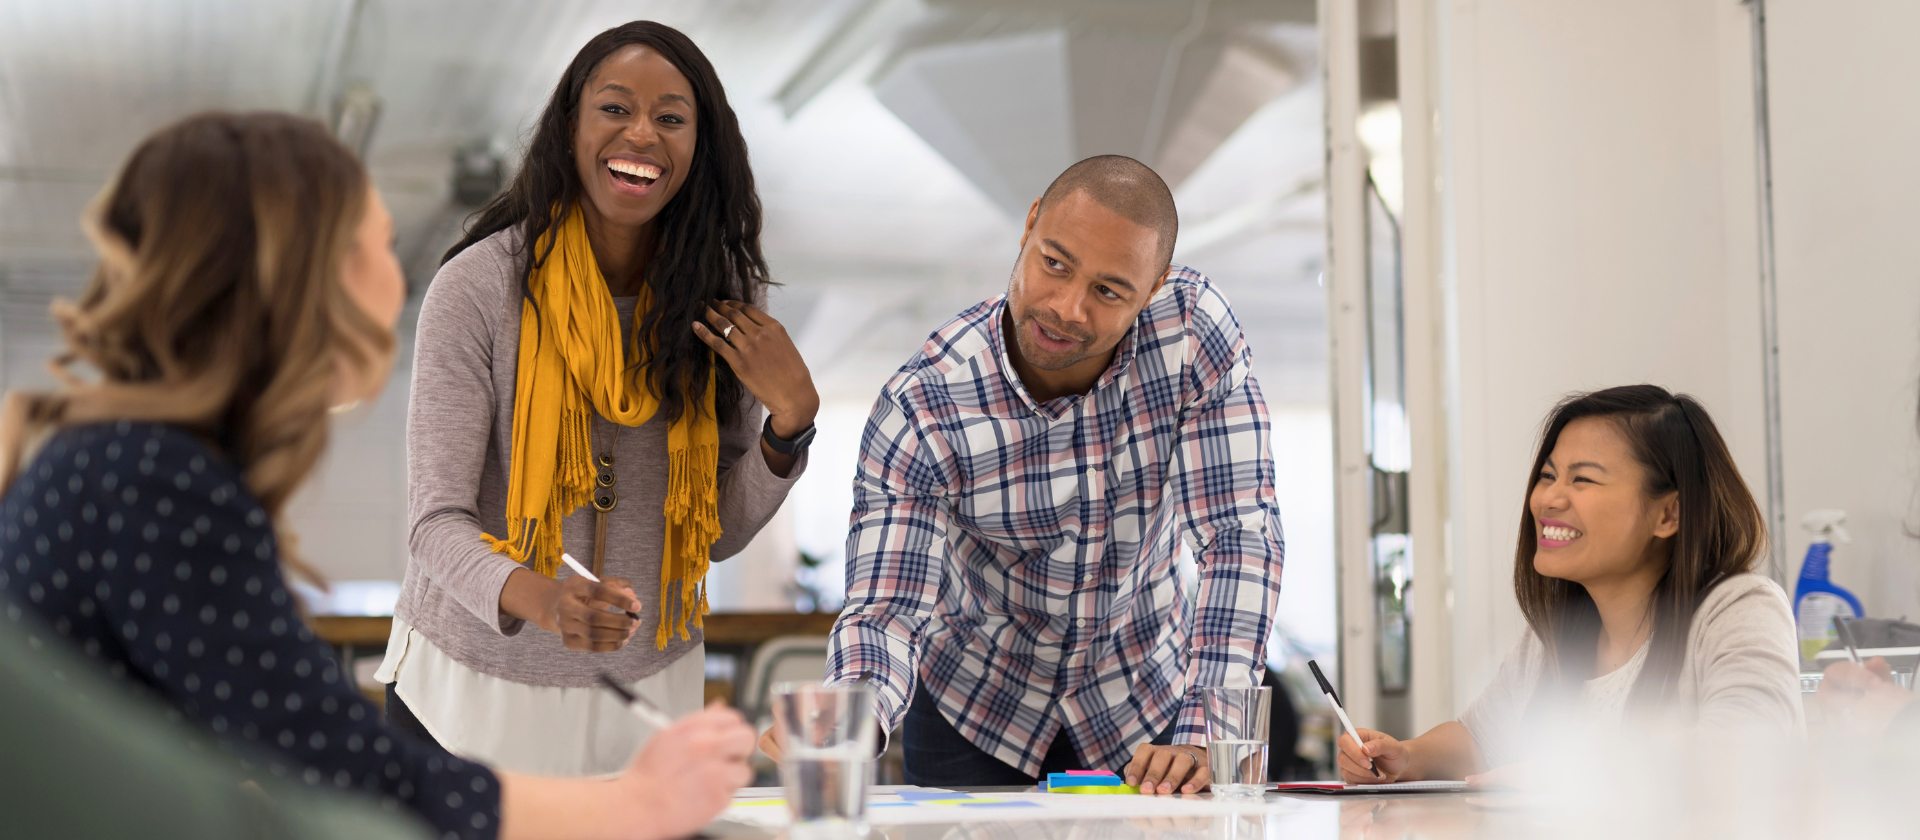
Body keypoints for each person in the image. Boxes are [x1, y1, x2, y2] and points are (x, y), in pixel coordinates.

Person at [0, 111, 754, 840]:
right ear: (304, 272)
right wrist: (640, 805)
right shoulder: (153, 485)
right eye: (381, 246)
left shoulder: (132, 464)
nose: (400, 283)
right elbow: (339, 763)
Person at [760, 155, 1286, 795]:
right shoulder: (926, 404)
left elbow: (1239, 535)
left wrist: (1211, 729)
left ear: (1152, 291)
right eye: (1054, 264)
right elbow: (888, 609)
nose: (1067, 308)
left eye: (1109, 291)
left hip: (1148, 702)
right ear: (1030, 225)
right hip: (976, 707)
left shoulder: (1192, 333)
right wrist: (850, 719)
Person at [379, 20, 816, 776]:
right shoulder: (478, 290)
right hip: (465, 699)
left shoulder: (725, 305)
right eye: (615, 108)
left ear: (699, 149)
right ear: (571, 128)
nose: (642, 133)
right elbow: (435, 523)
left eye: (672, 118)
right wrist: (545, 601)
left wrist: (791, 423)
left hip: (646, 701)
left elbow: (710, 534)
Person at [1335, 385, 1802, 784]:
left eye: (1582, 479)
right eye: (1547, 475)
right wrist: (1407, 758)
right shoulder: (1558, 634)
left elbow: (1751, 749)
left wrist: (1574, 774)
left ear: (1669, 513)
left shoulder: (1740, 608)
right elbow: (1480, 740)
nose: (1548, 498)